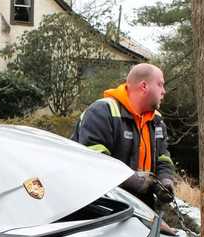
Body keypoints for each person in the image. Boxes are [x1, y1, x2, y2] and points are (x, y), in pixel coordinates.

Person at [71, 63, 176, 205]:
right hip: (101, 205)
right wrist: (131, 180)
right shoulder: (102, 111)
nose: (164, 91)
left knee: (165, 228)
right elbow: (94, 160)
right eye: (160, 85)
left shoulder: (156, 120)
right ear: (144, 86)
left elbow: (163, 158)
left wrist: (165, 180)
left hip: (141, 205)